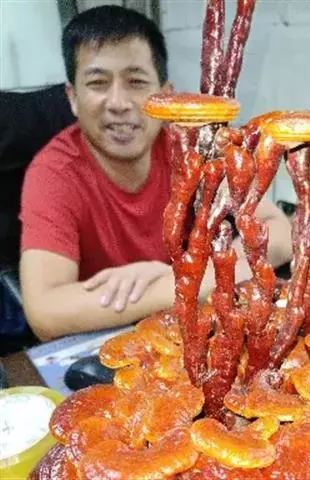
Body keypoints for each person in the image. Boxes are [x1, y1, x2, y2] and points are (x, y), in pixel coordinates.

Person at [19, 5, 293, 342]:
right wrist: (183, 282)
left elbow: (280, 233)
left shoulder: (194, 148)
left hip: (195, 331)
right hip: (115, 344)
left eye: (136, 82)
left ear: (166, 97)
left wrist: (174, 277)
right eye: (98, 83)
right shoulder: (54, 173)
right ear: (73, 98)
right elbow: (45, 311)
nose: (118, 103)